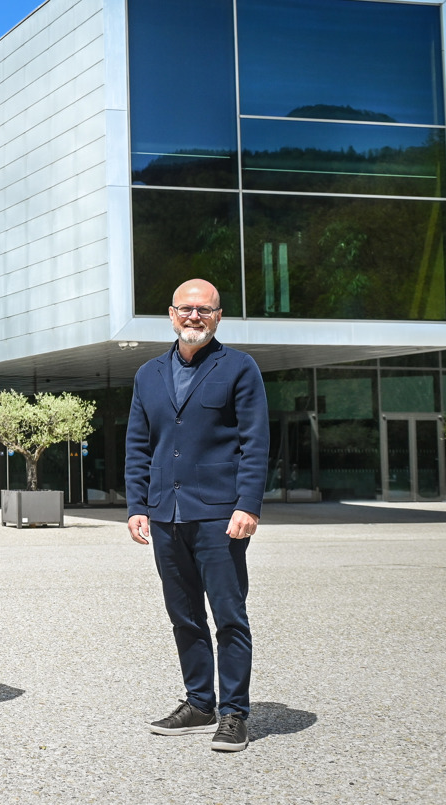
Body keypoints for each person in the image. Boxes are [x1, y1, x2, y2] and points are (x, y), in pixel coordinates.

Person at [125, 278, 267, 753]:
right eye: (186, 309)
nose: (194, 317)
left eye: (204, 310)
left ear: (218, 317)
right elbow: (138, 446)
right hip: (166, 514)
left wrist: (247, 504)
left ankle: (233, 713)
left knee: (229, 616)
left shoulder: (240, 369)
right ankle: (199, 701)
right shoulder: (148, 374)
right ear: (170, 314)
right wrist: (137, 506)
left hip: (219, 516)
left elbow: (254, 444)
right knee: (184, 616)